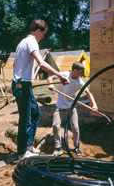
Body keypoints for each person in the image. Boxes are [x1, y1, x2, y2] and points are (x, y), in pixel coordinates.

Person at [12, 19, 70, 160]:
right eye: (43, 33)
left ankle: (28, 145)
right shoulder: (31, 42)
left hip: (22, 83)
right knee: (26, 118)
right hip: (22, 85)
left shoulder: (22, 42)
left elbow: (15, 63)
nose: (43, 36)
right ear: (38, 31)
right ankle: (22, 152)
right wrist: (59, 75)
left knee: (35, 112)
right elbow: (42, 63)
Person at [48, 62, 98, 157]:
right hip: (59, 106)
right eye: (80, 72)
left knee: (75, 127)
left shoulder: (79, 82)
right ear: (75, 71)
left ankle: (77, 147)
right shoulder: (63, 75)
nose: (82, 74)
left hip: (71, 106)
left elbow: (88, 93)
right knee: (56, 125)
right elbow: (50, 77)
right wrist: (51, 84)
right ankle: (58, 148)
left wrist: (94, 105)